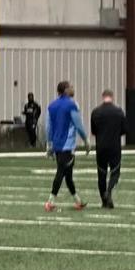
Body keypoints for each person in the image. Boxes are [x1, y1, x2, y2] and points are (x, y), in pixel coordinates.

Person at [43, 81, 88, 212]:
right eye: (71, 87)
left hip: (57, 144)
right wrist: (86, 140)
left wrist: (49, 145)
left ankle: (78, 201)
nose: (73, 88)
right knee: (61, 172)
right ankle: (50, 201)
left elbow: (48, 128)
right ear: (65, 90)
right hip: (67, 145)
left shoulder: (51, 106)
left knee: (68, 175)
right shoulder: (71, 105)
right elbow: (78, 124)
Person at [90, 88, 127, 210]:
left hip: (100, 147)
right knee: (115, 172)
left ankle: (103, 201)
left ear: (103, 97)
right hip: (114, 147)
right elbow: (124, 130)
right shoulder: (119, 112)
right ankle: (109, 191)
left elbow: (94, 131)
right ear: (112, 97)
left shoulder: (95, 112)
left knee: (101, 174)